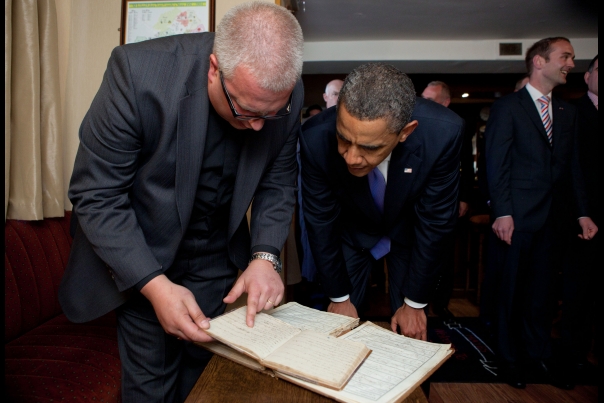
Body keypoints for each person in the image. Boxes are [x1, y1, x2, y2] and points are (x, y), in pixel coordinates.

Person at [58, 2, 304, 401]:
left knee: (206, 382)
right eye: (246, 112)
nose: (259, 126)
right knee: (151, 388)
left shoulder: (284, 92)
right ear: (213, 69)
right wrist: (155, 287)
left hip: (217, 258)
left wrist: (265, 256)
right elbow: (96, 195)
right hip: (143, 255)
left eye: (270, 116)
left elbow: (278, 181)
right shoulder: (137, 74)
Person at [300, 63, 464, 340]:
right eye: (343, 139)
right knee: (339, 329)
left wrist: (415, 304)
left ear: (405, 132)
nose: (351, 158)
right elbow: (320, 221)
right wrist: (339, 297)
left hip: (410, 230)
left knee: (412, 330)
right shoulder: (315, 136)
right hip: (352, 230)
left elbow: (436, 223)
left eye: (370, 147)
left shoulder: (442, 134)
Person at [485, 37, 597, 390]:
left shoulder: (569, 112)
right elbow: (496, 166)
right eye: (565, 56)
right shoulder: (508, 108)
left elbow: (574, 169)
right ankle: (509, 360)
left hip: (555, 221)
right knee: (512, 293)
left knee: (543, 295)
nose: (571, 64)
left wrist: (582, 214)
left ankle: (536, 356)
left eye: (573, 58)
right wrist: (503, 212)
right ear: (538, 61)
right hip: (516, 220)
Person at [421, 80, 475, 321]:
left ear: (446, 102)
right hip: (418, 201)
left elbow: (465, 165)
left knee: (444, 255)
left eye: (430, 100)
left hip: (447, 202)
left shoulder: (457, 126)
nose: (424, 105)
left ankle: (440, 304)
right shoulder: (414, 124)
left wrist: (463, 198)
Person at [560, 54, 599, 373]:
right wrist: (582, 213)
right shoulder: (572, 113)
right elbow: (570, 171)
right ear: (587, 77)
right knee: (580, 292)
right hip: (582, 218)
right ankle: (573, 355)